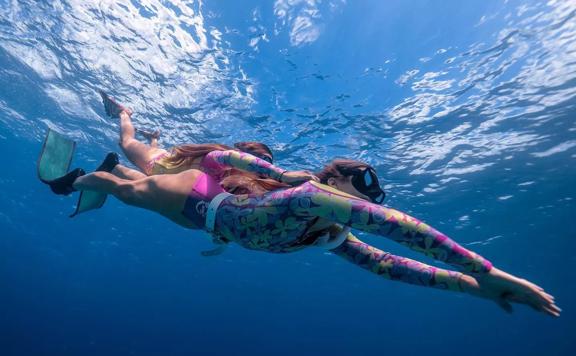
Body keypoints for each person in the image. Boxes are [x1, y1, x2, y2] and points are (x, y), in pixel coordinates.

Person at [43, 146, 560, 317]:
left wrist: (476, 288)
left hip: (202, 222)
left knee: (137, 180)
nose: (370, 201)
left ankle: (121, 164)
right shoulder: (307, 197)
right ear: (334, 180)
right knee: (125, 191)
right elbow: (401, 230)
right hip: (198, 194)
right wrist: (487, 270)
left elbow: (390, 264)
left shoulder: (330, 234)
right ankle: (83, 179)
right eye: (363, 186)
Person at [99, 91, 275, 180]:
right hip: (158, 164)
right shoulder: (226, 159)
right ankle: (124, 113)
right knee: (126, 141)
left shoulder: (237, 176)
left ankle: (153, 139)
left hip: (162, 170)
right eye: (264, 160)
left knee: (142, 178)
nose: (263, 167)